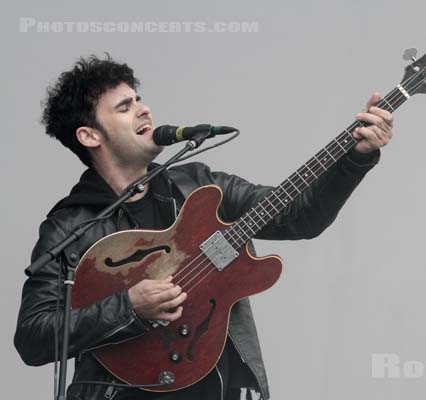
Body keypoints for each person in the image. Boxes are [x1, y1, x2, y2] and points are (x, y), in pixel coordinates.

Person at [14, 54, 393, 400]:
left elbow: (299, 216)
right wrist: (129, 306)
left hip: (217, 387)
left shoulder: (201, 187)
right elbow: (33, 337)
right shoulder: (72, 225)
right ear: (89, 135)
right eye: (124, 107)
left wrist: (354, 159)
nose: (144, 110)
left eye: (139, 99)